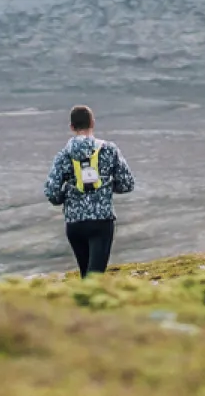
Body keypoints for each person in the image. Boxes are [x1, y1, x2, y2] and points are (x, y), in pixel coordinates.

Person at [43, 105, 137, 278]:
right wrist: (106, 187)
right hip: (101, 220)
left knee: (87, 275)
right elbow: (127, 184)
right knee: (94, 278)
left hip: (75, 223)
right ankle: (88, 302)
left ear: (71, 127)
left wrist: (67, 194)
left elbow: (52, 193)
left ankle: (84, 302)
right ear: (92, 122)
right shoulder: (109, 150)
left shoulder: (63, 155)